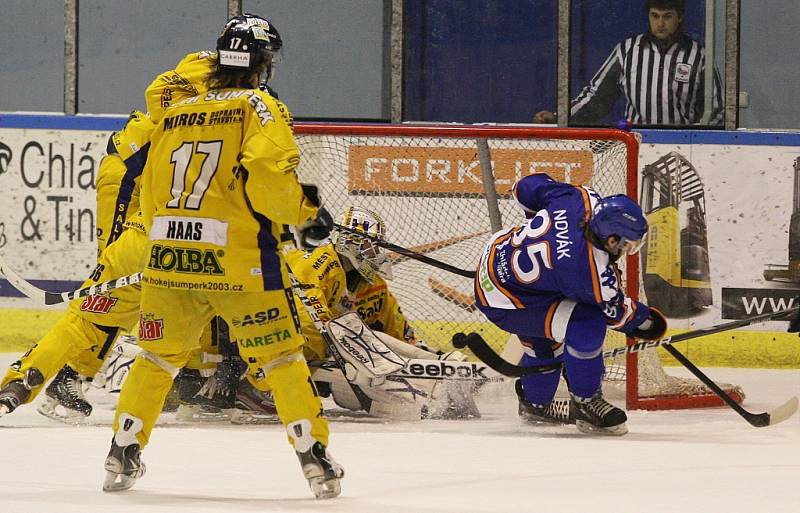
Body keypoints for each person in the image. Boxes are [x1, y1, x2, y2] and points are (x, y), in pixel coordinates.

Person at [100, 13, 344, 500]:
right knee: (280, 358)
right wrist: (307, 212)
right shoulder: (259, 105)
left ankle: (122, 450)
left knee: (157, 357)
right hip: (238, 263)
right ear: (263, 63)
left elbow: (149, 191)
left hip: (169, 258)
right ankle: (314, 457)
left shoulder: (174, 112)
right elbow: (269, 176)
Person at [473, 173, 667, 435]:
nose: (626, 251)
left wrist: (547, 232)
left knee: (545, 346)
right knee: (587, 322)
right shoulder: (589, 271)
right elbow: (617, 313)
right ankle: (587, 401)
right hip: (505, 301)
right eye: (627, 245)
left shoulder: (579, 198)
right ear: (611, 240)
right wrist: (647, 323)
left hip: (498, 253)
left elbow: (525, 188)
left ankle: (535, 404)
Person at [534, 0, 722, 126]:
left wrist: (697, 138)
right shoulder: (627, 50)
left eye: (667, 16)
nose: (660, 23)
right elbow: (596, 97)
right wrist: (560, 118)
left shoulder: (699, 56)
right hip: (634, 143)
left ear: (679, 17)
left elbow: (717, 108)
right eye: (655, 16)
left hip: (683, 147)